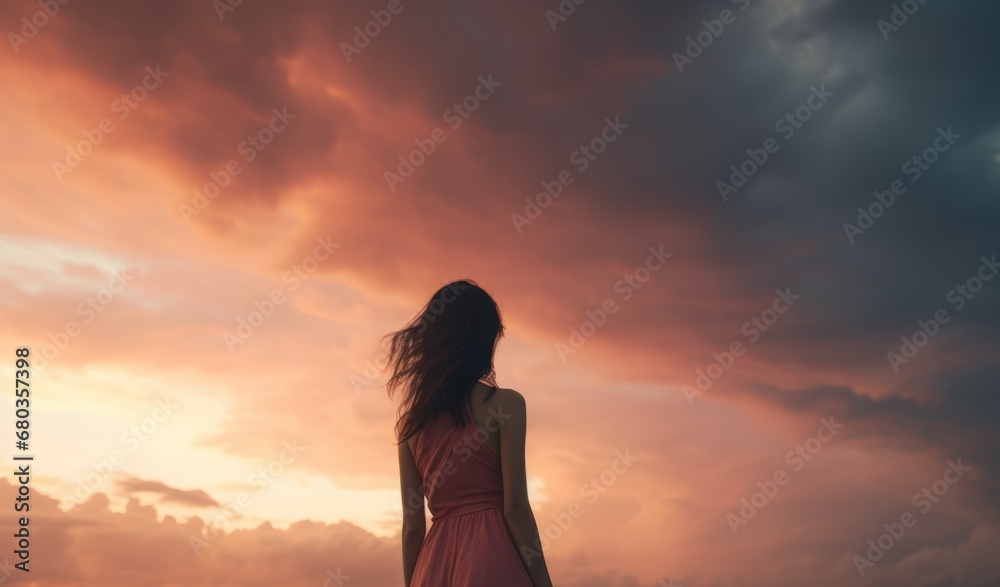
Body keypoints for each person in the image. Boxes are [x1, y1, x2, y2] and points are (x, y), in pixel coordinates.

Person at [384, 279, 554, 587]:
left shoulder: (411, 424)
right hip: (493, 560)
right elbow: (515, 509)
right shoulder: (505, 405)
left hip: (434, 566)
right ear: (485, 340)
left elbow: (412, 526)